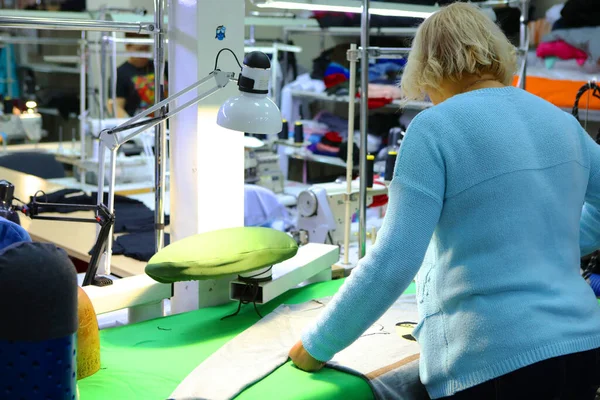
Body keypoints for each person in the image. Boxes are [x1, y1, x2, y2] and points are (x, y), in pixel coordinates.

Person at [289, 3, 600, 399]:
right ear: (497, 53)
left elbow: (393, 261)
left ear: (427, 68)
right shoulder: (561, 122)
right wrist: (560, 241)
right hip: (581, 348)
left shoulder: (434, 128)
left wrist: (316, 343)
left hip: (493, 360)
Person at [112, 33, 168, 118]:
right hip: (139, 126)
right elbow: (117, 107)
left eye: (146, 48)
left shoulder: (162, 66)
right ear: (128, 47)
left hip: (166, 123)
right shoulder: (120, 73)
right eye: (140, 49)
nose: (144, 53)